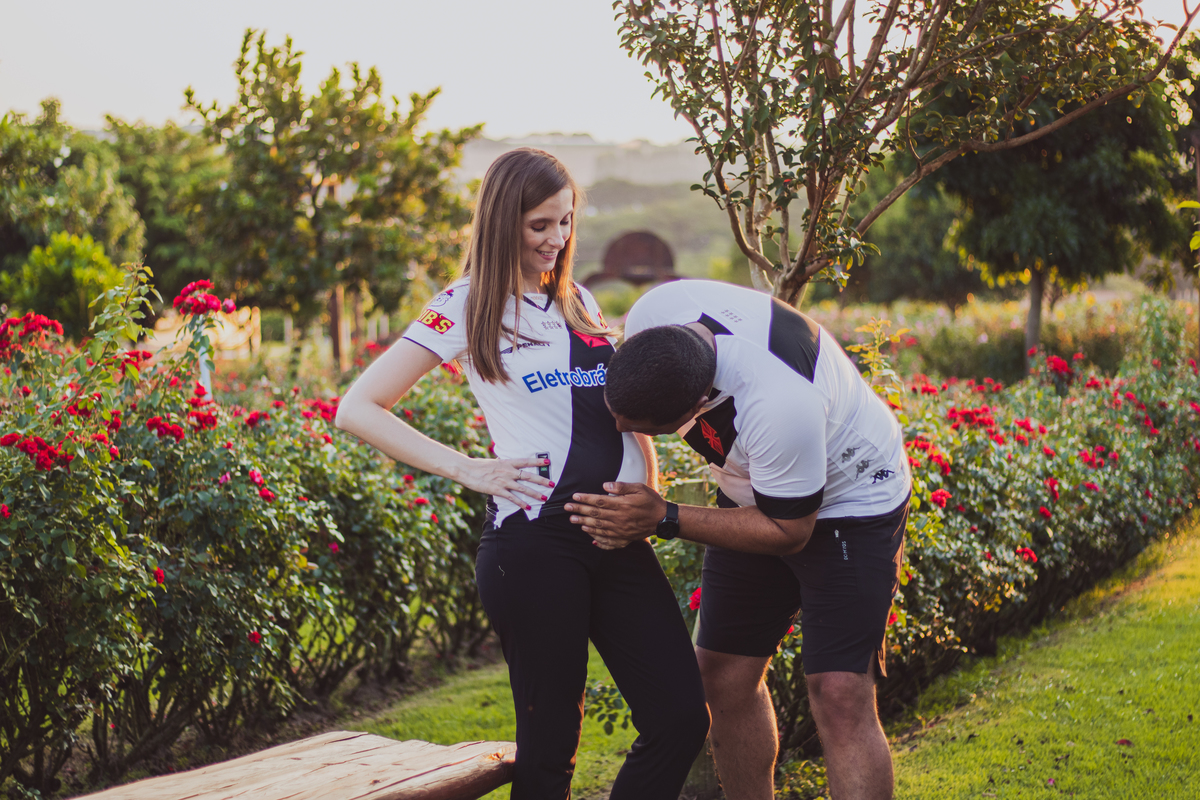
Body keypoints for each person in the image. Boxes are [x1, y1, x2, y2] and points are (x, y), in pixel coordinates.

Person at [334, 148, 709, 800]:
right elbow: (358, 407)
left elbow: (621, 414)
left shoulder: (578, 300)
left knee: (680, 718)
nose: (556, 239)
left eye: (565, 222)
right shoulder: (465, 304)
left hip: (617, 536)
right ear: (502, 220)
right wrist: (468, 468)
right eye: (540, 224)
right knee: (551, 748)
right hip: (535, 544)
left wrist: (647, 491)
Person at [563, 278, 911, 800]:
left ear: (698, 405)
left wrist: (664, 517)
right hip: (755, 493)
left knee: (839, 694)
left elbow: (789, 531)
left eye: (638, 426)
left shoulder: (779, 403)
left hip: (851, 503)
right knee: (720, 676)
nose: (617, 427)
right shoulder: (656, 313)